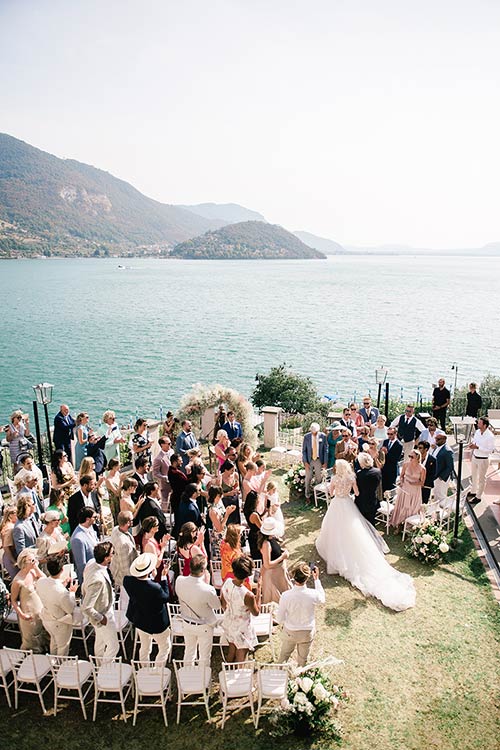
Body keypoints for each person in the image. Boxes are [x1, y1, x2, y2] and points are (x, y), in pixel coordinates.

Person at [316, 459, 416, 611]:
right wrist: (348, 492)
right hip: (348, 504)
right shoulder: (351, 478)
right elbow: (356, 492)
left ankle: (338, 551)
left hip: (337, 504)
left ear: (338, 468)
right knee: (354, 530)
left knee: (334, 529)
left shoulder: (335, 478)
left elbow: (330, 493)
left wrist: (337, 491)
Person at [123, 553, 171, 665]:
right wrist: (163, 577)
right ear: (149, 571)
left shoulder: (128, 581)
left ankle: (144, 668)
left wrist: (152, 578)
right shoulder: (155, 588)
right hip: (157, 624)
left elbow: (143, 588)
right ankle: (158, 671)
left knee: (144, 646)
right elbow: (165, 597)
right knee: (164, 647)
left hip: (140, 620)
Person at [276, 561, 325, 667]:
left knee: (283, 658)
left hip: (290, 632)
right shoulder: (313, 594)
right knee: (303, 661)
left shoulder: (285, 596)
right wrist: (316, 579)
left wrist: (286, 622)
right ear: (307, 577)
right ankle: (299, 680)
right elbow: (322, 599)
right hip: (307, 633)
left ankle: (278, 675)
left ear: (294, 576)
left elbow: (279, 618)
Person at [175, 553, 221, 665]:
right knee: (204, 656)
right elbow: (217, 606)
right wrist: (207, 582)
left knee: (189, 652)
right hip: (203, 626)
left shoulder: (179, 580)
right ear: (203, 570)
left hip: (186, 623)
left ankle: (188, 675)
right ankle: (202, 679)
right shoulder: (208, 589)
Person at [82, 541, 119, 659]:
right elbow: (86, 607)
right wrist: (101, 618)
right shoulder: (97, 580)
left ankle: (99, 663)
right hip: (104, 614)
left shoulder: (91, 563)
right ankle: (105, 671)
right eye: (112, 553)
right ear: (106, 558)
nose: (114, 555)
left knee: (100, 641)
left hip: (104, 607)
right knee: (114, 646)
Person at [220, 555, 260, 662]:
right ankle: (238, 676)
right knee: (241, 655)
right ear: (248, 574)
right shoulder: (248, 595)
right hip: (242, 628)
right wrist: (259, 590)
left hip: (229, 622)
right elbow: (256, 613)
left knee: (232, 649)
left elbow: (223, 603)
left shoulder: (227, 582)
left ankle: (228, 669)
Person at [36, 555, 78, 655]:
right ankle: (60, 668)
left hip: (47, 620)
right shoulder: (62, 593)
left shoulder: (41, 582)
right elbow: (70, 608)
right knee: (63, 647)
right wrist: (72, 593)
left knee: (54, 642)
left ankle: (53, 664)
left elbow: (51, 592)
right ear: (62, 569)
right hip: (59, 623)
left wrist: (63, 584)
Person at [11, 549, 49, 652]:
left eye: (34, 559)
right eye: (31, 560)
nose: (34, 561)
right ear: (24, 562)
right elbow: (13, 600)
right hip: (28, 612)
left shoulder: (33, 572)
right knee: (31, 640)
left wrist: (36, 568)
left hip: (40, 610)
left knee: (43, 634)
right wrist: (22, 615)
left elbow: (44, 579)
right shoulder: (18, 581)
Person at [258, 517, 292, 604]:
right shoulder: (266, 544)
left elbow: (274, 552)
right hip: (273, 575)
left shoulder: (271, 538)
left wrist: (281, 551)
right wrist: (282, 557)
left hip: (279, 573)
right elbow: (267, 565)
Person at [390, 450, 426, 528]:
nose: (410, 458)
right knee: (402, 506)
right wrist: (401, 482)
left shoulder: (422, 468)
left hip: (414, 491)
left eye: (412, 457)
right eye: (409, 456)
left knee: (412, 507)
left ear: (417, 457)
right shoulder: (406, 465)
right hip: (404, 488)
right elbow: (402, 476)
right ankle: (399, 524)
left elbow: (422, 483)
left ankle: (409, 525)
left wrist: (412, 483)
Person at [468, 417, 495, 504]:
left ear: (485, 425)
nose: (477, 424)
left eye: (479, 423)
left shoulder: (490, 436)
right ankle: (473, 491)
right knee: (474, 476)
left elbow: (490, 450)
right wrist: (472, 445)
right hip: (475, 457)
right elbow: (475, 441)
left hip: (483, 460)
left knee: (481, 479)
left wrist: (478, 447)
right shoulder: (477, 432)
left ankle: (478, 497)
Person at [110, 511, 138, 589]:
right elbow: (125, 569)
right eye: (132, 520)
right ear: (128, 523)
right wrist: (133, 584)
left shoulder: (116, 529)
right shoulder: (124, 544)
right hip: (122, 580)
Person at [71, 507, 98, 584]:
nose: (96, 518)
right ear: (87, 519)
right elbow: (81, 566)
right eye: (94, 517)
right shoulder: (77, 539)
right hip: (89, 578)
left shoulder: (90, 527)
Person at [302, 422, 328, 501]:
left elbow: (325, 450)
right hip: (309, 460)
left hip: (318, 459)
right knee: (308, 478)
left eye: (315, 432)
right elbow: (304, 451)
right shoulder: (306, 437)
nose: (314, 434)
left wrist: (325, 462)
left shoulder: (323, 436)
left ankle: (317, 494)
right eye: (313, 432)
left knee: (319, 477)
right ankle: (307, 496)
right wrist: (305, 462)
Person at [355, 452, 382, 526]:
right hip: (373, 499)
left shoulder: (360, 474)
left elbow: (356, 488)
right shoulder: (377, 471)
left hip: (362, 501)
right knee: (371, 522)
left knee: (363, 523)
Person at [12, 493, 41, 557]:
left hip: (40, 555)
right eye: (33, 504)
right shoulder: (19, 527)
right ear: (27, 507)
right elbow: (21, 551)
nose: (35, 505)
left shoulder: (32, 518)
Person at [432, 434, 454, 505]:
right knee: (436, 493)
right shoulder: (437, 447)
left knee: (441, 496)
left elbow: (450, 467)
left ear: (444, 440)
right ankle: (436, 509)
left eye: (438, 439)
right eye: (436, 439)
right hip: (435, 475)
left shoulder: (447, 451)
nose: (436, 441)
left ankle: (442, 510)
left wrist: (441, 477)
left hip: (441, 477)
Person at [152, 436, 173, 508]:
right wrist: (165, 478)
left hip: (174, 482)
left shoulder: (172, 452)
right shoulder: (158, 459)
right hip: (165, 485)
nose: (170, 445)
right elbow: (155, 473)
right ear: (162, 445)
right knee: (165, 502)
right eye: (168, 444)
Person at [243, 489, 264, 560]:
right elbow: (261, 527)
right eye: (258, 499)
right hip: (257, 537)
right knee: (259, 558)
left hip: (252, 535)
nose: (259, 501)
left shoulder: (248, 510)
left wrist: (265, 511)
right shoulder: (254, 515)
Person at [381, 427, 404, 491]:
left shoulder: (399, 445)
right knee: (383, 486)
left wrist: (387, 452)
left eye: (391, 434)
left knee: (390, 487)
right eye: (388, 434)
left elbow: (396, 459)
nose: (389, 436)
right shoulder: (385, 441)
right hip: (384, 468)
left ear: (395, 434)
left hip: (392, 469)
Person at [167, 453, 189, 519]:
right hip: (178, 499)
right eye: (180, 460)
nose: (182, 462)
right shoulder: (174, 473)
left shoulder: (176, 471)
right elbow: (185, 483)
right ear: (174, 461)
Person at [0, 505, 19, 579]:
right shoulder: (10, 528)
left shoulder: (9, 526)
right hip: (10, 557)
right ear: (10, 515)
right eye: (16, 514)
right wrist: (14, 562)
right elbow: (6, 547)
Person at [104, 458, 122, 524]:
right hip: (115, 501)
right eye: (118, 465)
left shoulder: (117, 474)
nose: (120, 467)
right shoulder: (108, 480)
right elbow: (116, 493)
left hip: (121, 499)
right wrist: (121, 481)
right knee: (117, 519)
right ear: (114, 467)